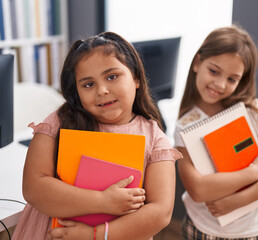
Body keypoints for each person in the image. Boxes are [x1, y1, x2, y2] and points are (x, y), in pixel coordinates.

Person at [12, 32, 182, 240]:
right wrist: (103, 201)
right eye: (88, 84)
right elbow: (33, 188)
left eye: (112, 77)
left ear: (136, 78)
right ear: (77, 91)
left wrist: (95, 235)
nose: (102, 90)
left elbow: (160, 212)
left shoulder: (154, 137)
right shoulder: (58, 122)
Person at [173, 25, 258, 240]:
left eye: (232, 79)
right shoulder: (186, 124)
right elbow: (198, 189)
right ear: (197, 63)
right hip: (201, 229)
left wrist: (236, 201)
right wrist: (255, 171)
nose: (220, 84)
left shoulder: (252, 111)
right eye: (214, 71)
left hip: (250, 231)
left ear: (241, 80)